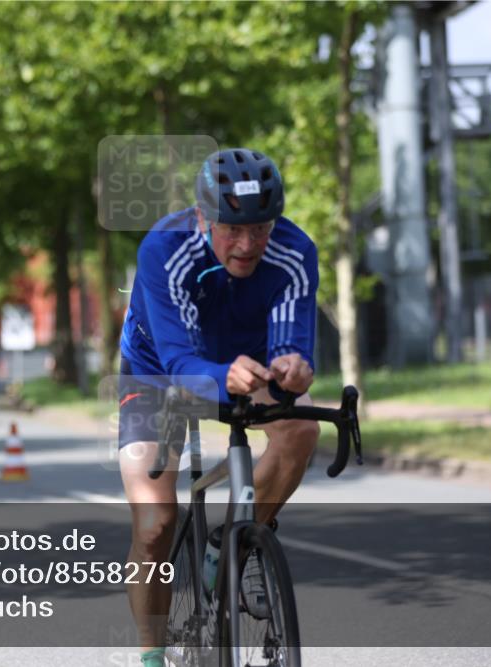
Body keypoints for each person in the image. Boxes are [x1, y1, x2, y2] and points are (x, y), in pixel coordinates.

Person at [116, 148, 319, 667]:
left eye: (260, 228)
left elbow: (292, 343)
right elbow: (179, 361)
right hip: (159, 368)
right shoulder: (165, 248)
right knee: (154, 523)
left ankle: (235, 543)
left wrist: (295, 368)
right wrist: (221, 377)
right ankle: (152, 656)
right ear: (203, 217)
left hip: (247, 362)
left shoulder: (296, 251)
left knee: (301, 429)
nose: (248, 244)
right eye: (233, 229)